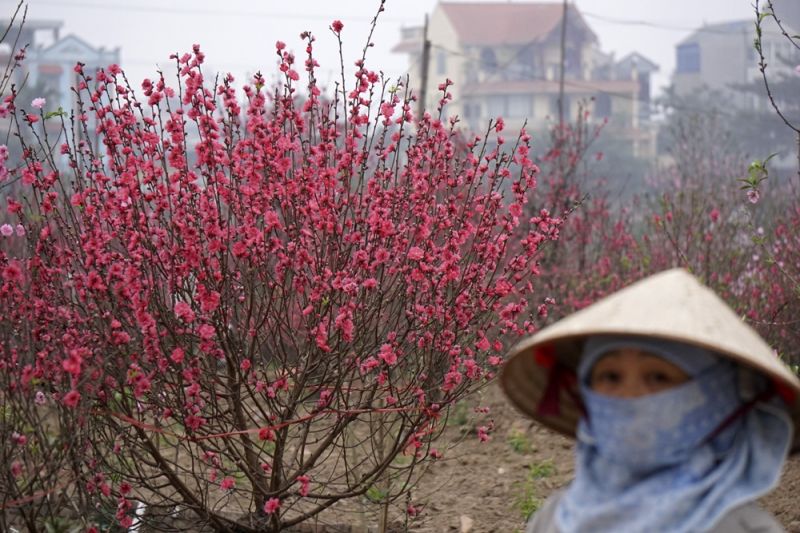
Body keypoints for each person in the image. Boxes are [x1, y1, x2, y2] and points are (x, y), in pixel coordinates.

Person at [500, 268, 799, 533]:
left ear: (716, 397)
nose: (629, 398)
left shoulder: (743, 529)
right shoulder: (556, 520)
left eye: (658, 377)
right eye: (611, 377)